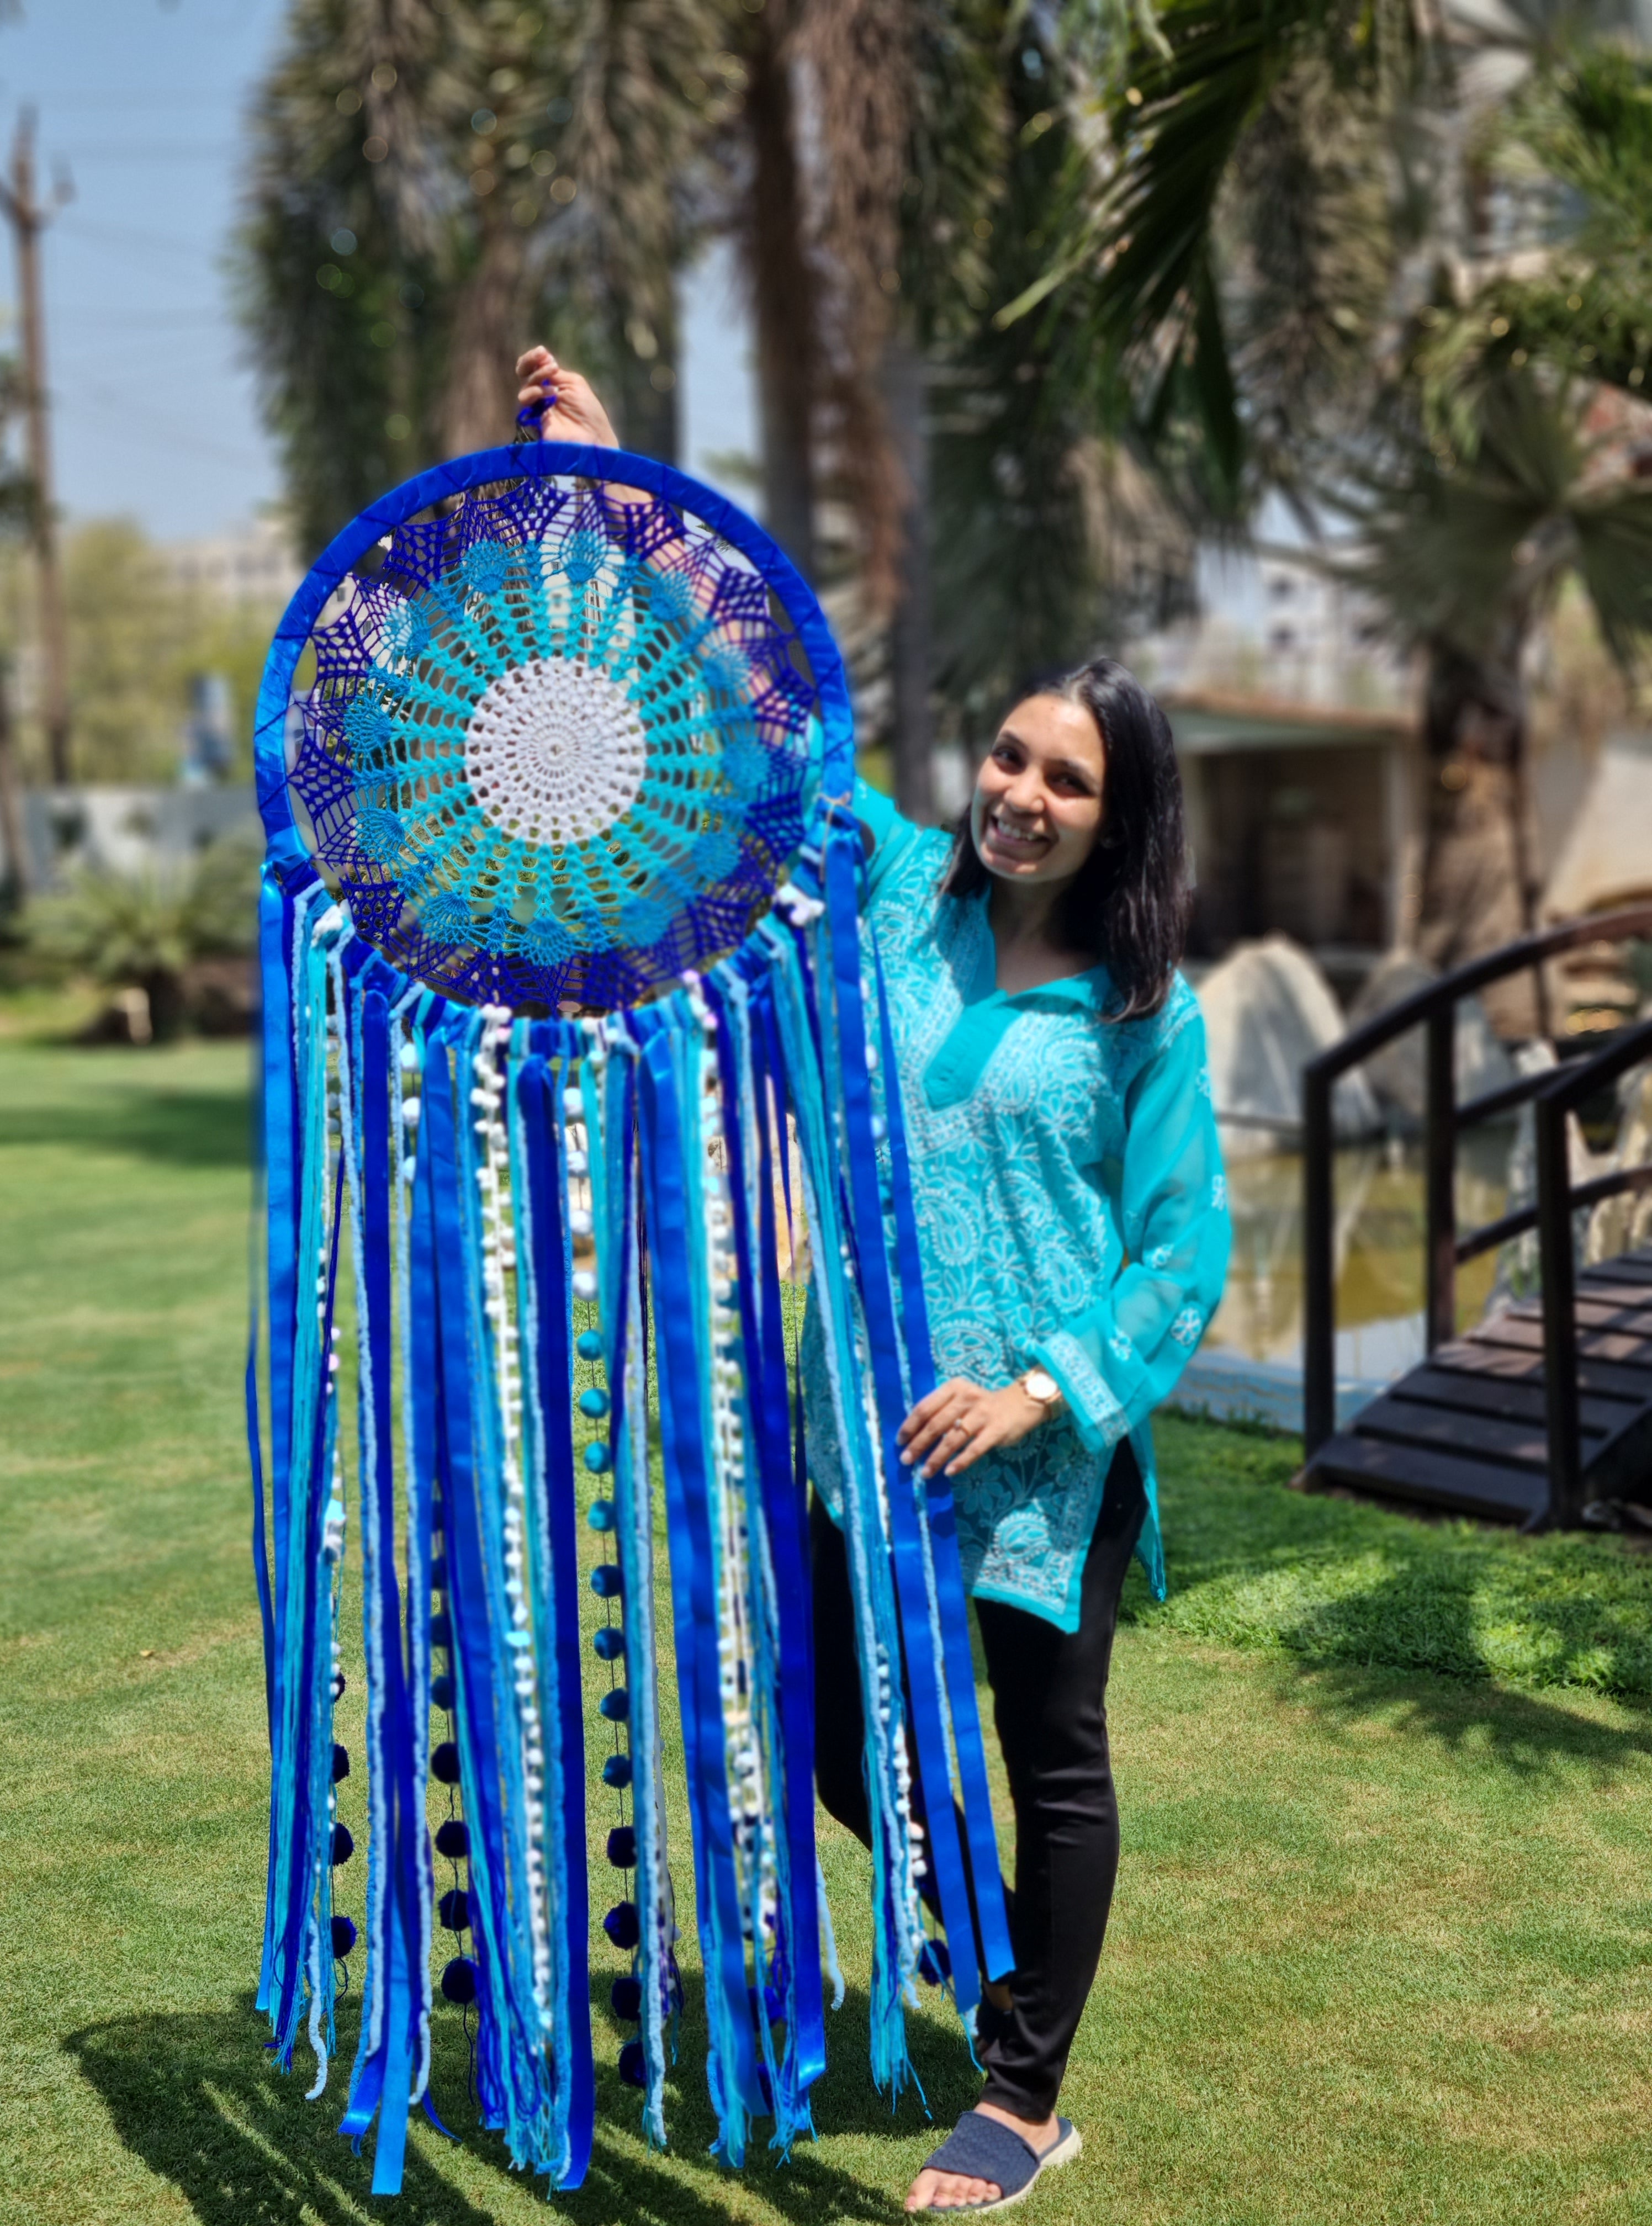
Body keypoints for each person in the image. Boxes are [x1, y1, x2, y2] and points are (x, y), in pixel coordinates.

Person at [515, 347, 1231, 2214]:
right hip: (863, 1435)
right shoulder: (896, 902)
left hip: (1036, 1459)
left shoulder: (1147, 1018)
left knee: (1047, 1760)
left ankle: (1020, 2095)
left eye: (1063, 779)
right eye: (1006, 757)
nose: (1017, 794)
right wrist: (616, 499)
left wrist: (1042, 1390)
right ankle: (972, 1930)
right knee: (835, 1716)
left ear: (1118, 813)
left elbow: (1188, 1252)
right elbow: (768, 728)